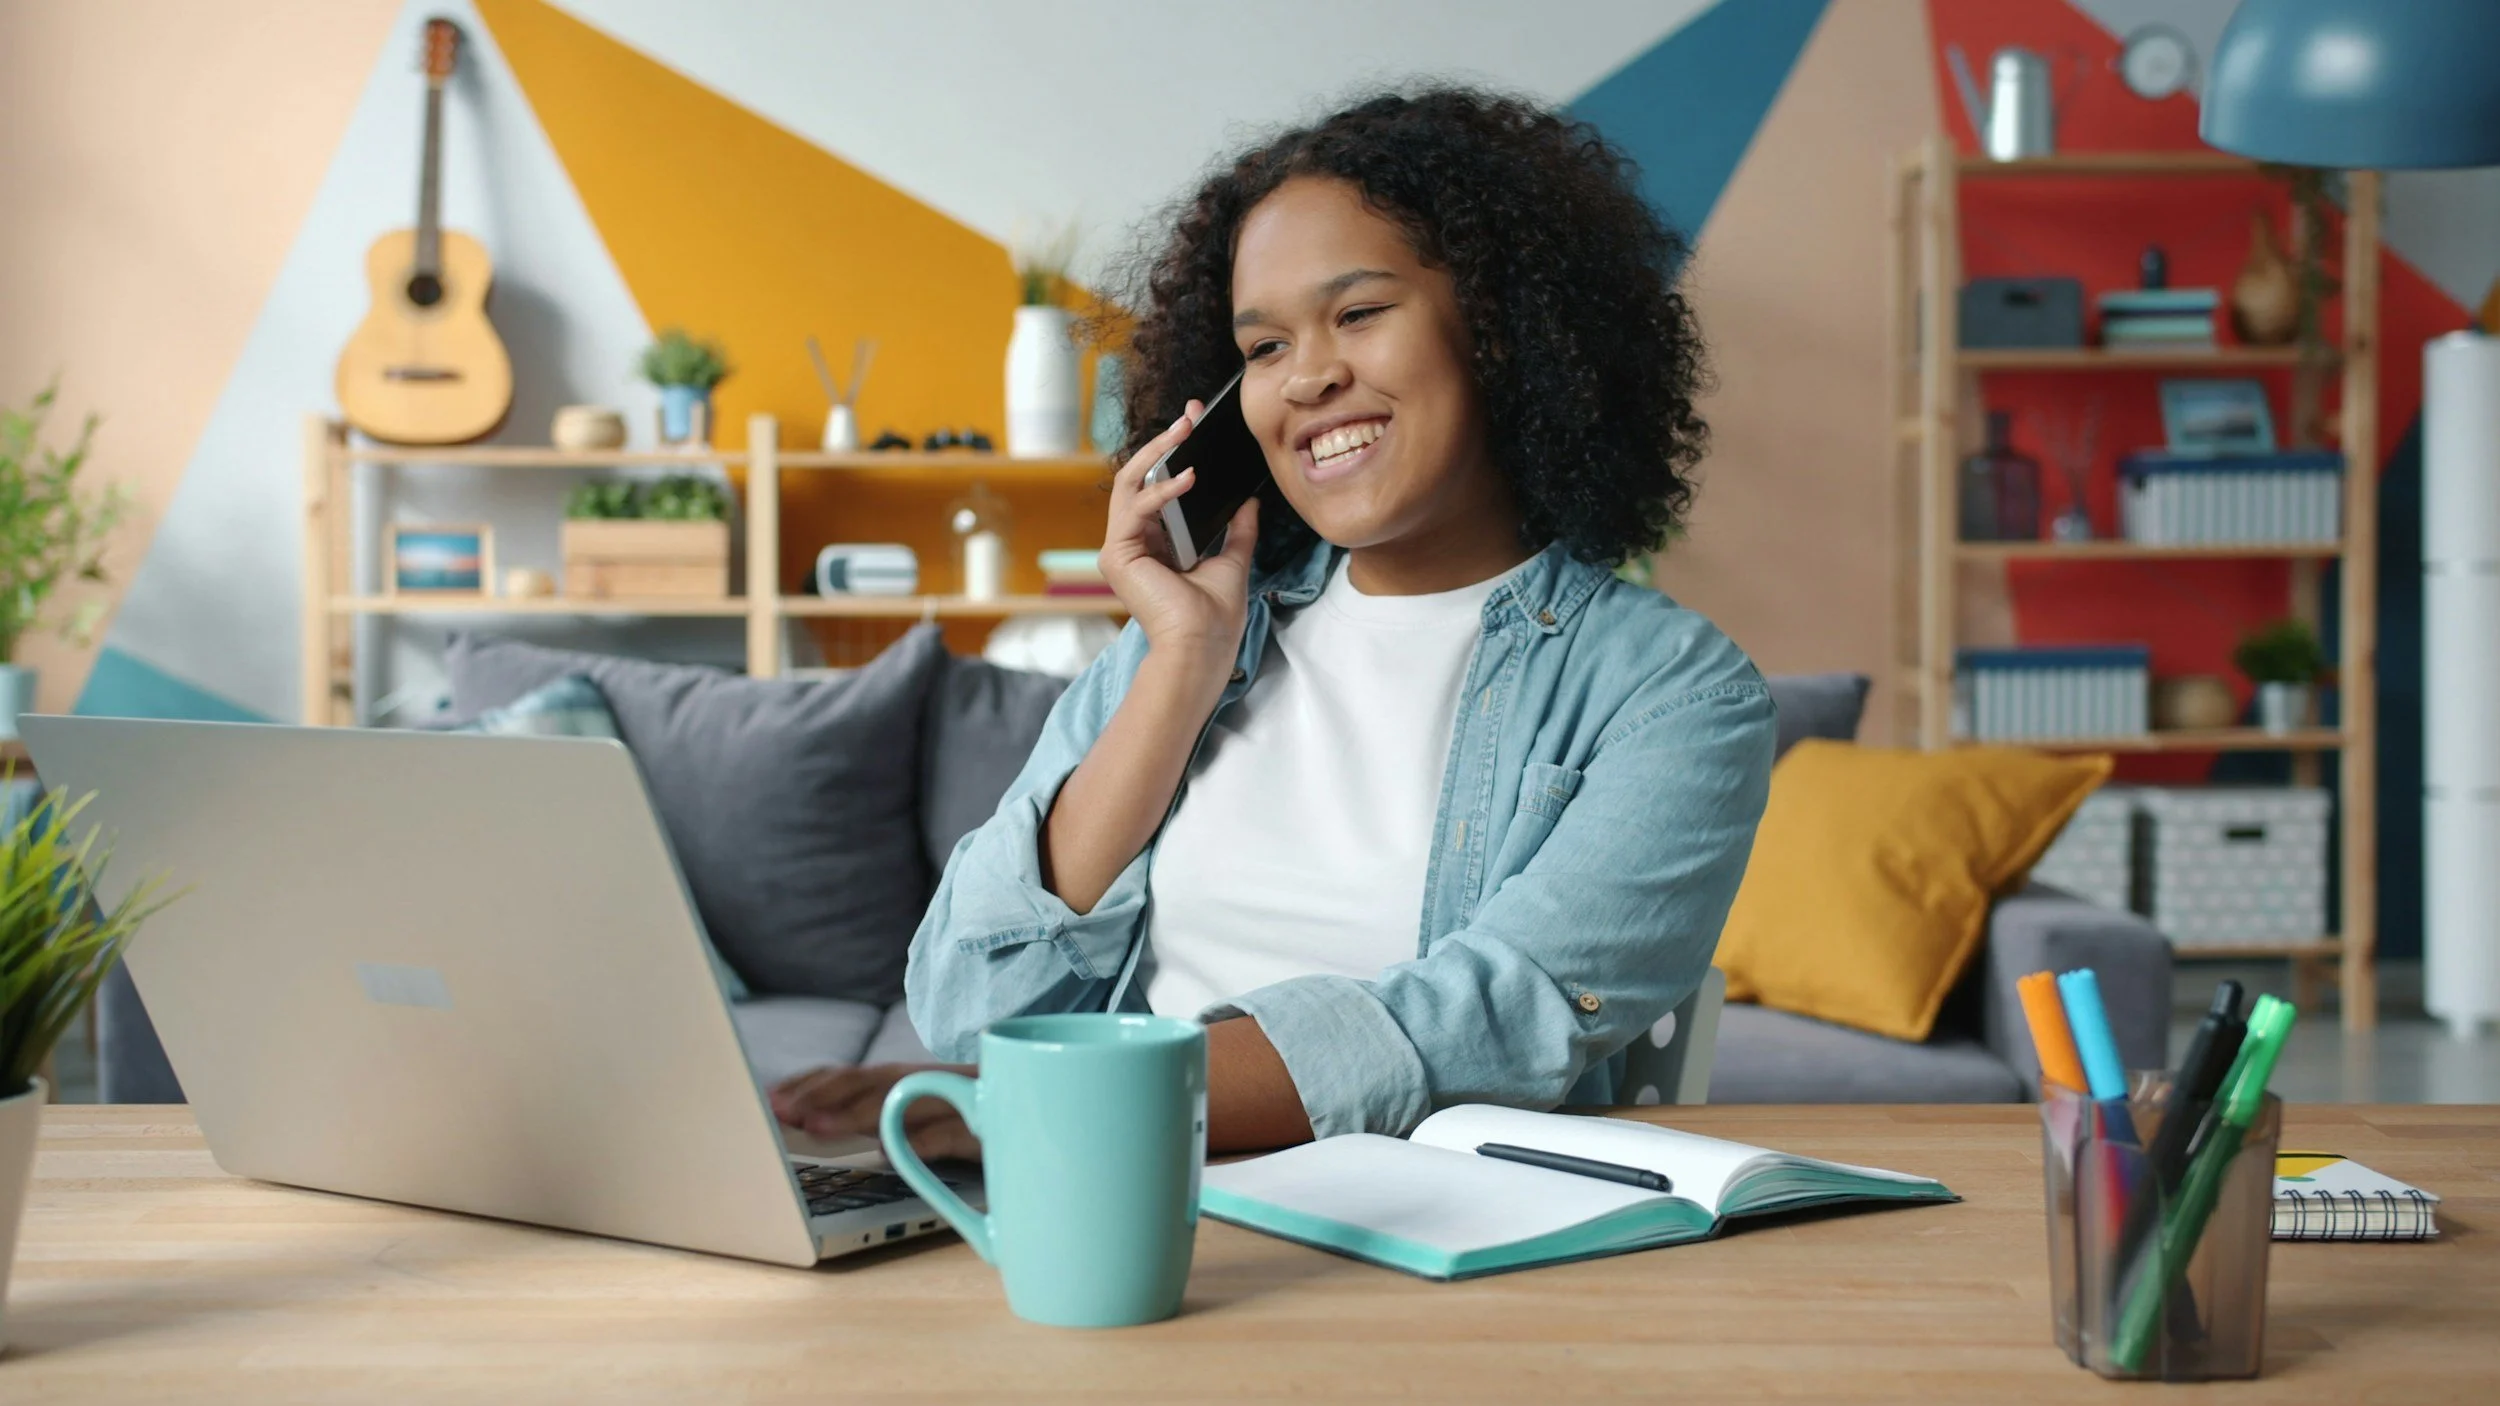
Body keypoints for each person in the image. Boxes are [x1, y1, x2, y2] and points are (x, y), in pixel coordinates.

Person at [772, 87, 1775, 1159]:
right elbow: (970, 999)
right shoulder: (1194, 639)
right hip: (1116, 1206)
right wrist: (1183, 662)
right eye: (1260, 347)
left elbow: (1490, 1021)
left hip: (1431, 1259)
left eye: (1357, 314)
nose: (1308, 377)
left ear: (1499, 328)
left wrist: (1049, 1101)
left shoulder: (1675, 694)